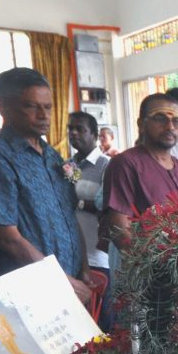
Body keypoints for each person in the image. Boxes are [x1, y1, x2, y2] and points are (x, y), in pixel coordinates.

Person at [0, 67, 93, 305]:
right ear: (2, 107)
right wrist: (60, 281)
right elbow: (6, 237)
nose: (43, 115)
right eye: (31, 106)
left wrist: (83, 267)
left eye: (48, 107)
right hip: (29, 292)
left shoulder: (52, 155)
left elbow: (69, 217)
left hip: (69, 282)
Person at [101, 93, 178, 251]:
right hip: (144, 270)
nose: (170, 127)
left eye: (176, 121)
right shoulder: (125, 163)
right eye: (160, 119)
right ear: (141, 124)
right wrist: (156, 268)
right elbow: (119, 230)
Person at [66, 111, 111, 291]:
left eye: (80, 129)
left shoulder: (107, 165)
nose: (73, 133)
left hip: (97, 255)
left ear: (94, 134)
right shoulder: (69, 165)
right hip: (72, 253)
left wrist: (78, 203)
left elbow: (106, 205)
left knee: (103, 314)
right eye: (70, 129)